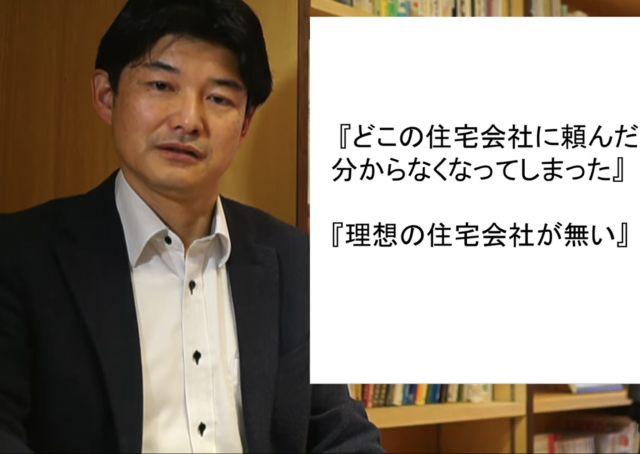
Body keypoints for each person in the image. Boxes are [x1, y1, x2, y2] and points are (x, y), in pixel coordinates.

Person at [0, 0, 385, 452]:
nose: (188, 120)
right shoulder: (19, 257)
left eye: (219, 98)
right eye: (161, 85)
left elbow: (340, 431)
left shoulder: (293, 259)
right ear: (106, 95)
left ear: (245, 123)